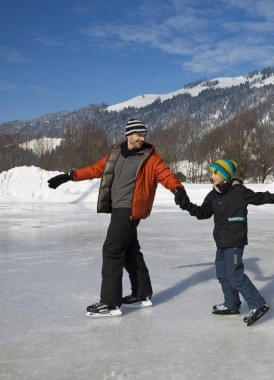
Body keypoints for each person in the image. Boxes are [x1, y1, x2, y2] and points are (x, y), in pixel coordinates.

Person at [47, 119, 187, 317]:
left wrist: (177, 188)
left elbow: (165, 174)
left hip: (129, 209)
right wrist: (70, 176)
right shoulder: (115, 153)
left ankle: (110, 303)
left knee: (112, 250)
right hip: (118, 208)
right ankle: (141, 293)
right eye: (138, 134)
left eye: (144, 135)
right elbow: (96, 169)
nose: (142, 138)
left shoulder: (150, 157)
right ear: (128, 135)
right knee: (130, 250)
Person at [175, 159, 274, 326]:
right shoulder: (213, 194)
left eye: (215, 173)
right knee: (222, 274)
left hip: (235, 241)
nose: (212, 176)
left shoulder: (239, 192)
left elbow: (262, 198)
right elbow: (203, 213)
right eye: (211, 173)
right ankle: (232, 304)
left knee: (235, 275)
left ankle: (257, 304)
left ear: (225, 175)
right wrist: (186, 205)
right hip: (221, 242)